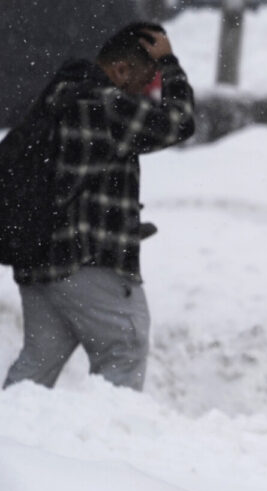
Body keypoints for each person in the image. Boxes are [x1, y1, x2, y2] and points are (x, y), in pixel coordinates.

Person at [3, 22, 194, 391]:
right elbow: (180, 122)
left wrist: (120, 222)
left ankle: (12, 436)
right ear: (121, 70)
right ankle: (110, 442)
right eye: (145, 79)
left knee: (36, 367)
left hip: (40, 259)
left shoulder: (59, 95)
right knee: (124, 349)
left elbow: (75, 179)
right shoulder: (106, 103)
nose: (146, 91)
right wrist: (169, 62)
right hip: (87, 263)